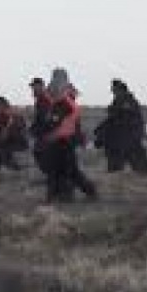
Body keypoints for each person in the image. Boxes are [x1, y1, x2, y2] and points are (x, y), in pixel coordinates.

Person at [41, 68, 97, 202]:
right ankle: (52, 197)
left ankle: (88, 191)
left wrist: (54, 135)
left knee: (70, 170)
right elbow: (51, 114)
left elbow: (69, 123)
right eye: (55, 76)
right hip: (55, 141)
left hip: (67, 141)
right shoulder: (53, 95)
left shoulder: (69, 100)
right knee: (53, 169)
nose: (56, 79)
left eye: (58, 77)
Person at [95, 79, 147, 174]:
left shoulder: (127, 101)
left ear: (120, 89)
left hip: (128, 137)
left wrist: (102, 130)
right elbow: (114, 118)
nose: (113, 92)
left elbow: (121, 119)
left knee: (140, 166)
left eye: (114, 90)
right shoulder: (121, 100)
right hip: (122, 138)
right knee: (117, 165)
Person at [0, 97, 27, 172]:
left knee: (3, 151)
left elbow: (20, 130)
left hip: (18, 143)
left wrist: (9, 126)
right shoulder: (0, 117)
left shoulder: (15, 115)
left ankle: (15, 170)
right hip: (6, 142)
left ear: (4, 105)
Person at [29, 77, 53, 175]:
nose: (33, 89)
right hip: (45, 133)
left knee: (40, 153)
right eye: (33, 87)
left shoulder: (44, 100)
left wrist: (36, 129)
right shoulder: (41, 99)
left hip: (46, 134)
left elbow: (45, 118)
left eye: (35, 87)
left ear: (41, 86)